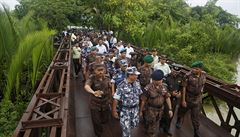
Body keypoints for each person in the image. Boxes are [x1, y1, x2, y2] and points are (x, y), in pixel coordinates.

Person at [176, 61, 206, 137]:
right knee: (182, 111)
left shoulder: (204, 75)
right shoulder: (187, 75)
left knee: (195, 116)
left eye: (196, 69)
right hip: (188, 97)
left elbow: (203, 86)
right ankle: (179, 120)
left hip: (197, 99)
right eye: (193, 68)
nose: (194, 70)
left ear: (200, 69)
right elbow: (184, 88)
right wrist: (183, 100)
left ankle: (196, 131)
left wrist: (201, 97)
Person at [140, 70, 173, 137]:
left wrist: (170, 109)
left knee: (156, 123)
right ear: (154, 80)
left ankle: (151, 132)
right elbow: (143, 100)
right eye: (159, 80)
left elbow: (167, 97)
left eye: (161, 80)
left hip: (160, 109)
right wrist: (140, 111)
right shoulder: (148, 88)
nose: (161, 81)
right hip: (150, 109)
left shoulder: (164, 87)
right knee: (151, 125)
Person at [112, 67, 142, 137]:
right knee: (125, 129)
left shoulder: (137, 83)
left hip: (135, 109)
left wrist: (140, 109)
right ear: (129, 75)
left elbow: (139, 95)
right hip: (125, 110)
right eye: (135, 75)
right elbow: (116, 99)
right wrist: (114, 111)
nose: (137, 76)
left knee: (133, 126)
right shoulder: (121, 85)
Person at [84, 64, 112, 137]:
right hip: (95, 103)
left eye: (102, 70)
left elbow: (110, 87)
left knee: (105, 119)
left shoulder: (107, 77)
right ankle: (98, 134)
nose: (100, 72)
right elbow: (87, 86)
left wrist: (111, 97)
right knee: (96, 121)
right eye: (98, 70)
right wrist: (93, 92)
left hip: (105, 102)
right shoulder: (92, 78)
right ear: (94, 71)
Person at [160, 64, 183, 136]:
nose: (175, 73)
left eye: (177, 72)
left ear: (179, 72)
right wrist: (170, 93)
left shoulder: (181, 78)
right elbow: (163, 88)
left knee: (171, 113)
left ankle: (167, 128)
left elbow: (182, 88)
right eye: (173, 71)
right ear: (171, 70)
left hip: (175, 99)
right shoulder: (166, 77)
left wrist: (180, 93)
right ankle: (161, 125)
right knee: (164, 112)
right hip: (165, 98)